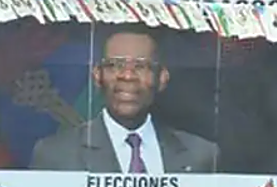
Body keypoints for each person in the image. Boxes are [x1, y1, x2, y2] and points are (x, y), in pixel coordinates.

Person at [29, 24, 219, 173]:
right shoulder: (55, 155)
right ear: (97, 76)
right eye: (115, 65)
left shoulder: (200, 156)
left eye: (141, 66)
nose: (127, 76)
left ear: (161, 78)